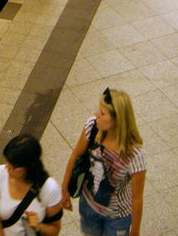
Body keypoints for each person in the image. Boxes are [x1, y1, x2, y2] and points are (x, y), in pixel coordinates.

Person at [60, 88, 146, 236]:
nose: (96, 114)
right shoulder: (92, 127)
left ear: (117, 120)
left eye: (102, 113)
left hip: (117, 217)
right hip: (88, 207)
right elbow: (76, 155)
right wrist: (64, 188)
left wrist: (135, 231)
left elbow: (137, 198)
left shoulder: (134, 154)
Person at [0, 134, 63, 236]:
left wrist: (39, 226)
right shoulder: (0, 173)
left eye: (14, 166)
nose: (7, 167)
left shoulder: (49, 188)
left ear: (29, 166)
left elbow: (55, 230)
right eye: (8, 161)